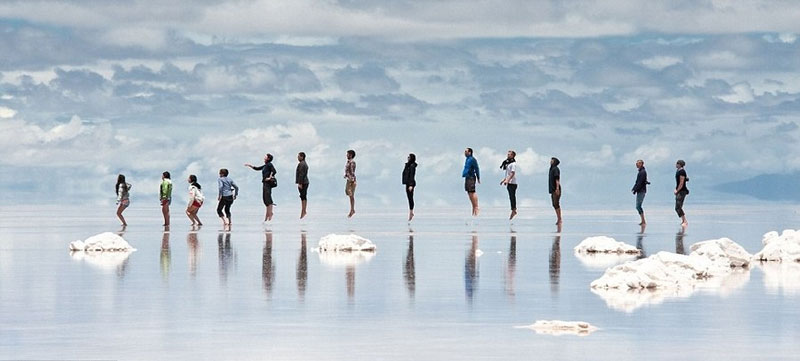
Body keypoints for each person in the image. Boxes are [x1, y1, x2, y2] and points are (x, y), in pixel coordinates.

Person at [245, 154, 277, 222]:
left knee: (268, 198)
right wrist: (249, 165)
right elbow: (257, 168)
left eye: (265, 157)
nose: (264, 157)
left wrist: (270, 177)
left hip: (268, 183)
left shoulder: (269, 164)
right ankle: (267, 215)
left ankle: (270, 213)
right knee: (265, 199)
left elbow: (274, 171)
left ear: (268, 158)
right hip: (265, 183)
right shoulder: (265, 166)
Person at [462, 148, 480, 216]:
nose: (465, 153)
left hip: (471, 177)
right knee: (469, 192)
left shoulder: (472, 159)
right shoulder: (467, 159)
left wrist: (478, 177)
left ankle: (476, 206)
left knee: (472, 191)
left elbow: (476, 168)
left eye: (466, 151)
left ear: (470, 152)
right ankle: (473, 206)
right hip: (467, 177)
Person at [500, 150, 518, 220]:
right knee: (511, 197)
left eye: (509, 154)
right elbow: (508, 173)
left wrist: (507, 180)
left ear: (513, 155)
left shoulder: (513, 164)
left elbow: (512, 173)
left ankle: (514, 210)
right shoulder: (508, 163)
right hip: (509, 182)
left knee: (512, 196)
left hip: (512, 183)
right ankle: (513, 210)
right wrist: (504, 180)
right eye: (507, 154)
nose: (508, 155)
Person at [632, 159, 648, 225]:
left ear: (641, 164)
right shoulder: (641, 172)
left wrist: (635, 189)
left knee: (638, 206)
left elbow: (640, 182)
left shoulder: (642, 172)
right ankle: (643, 221)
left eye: (638, 163)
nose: (636, 164)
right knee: (638, 206)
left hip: (641, 191)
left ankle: (643, 221)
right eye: (636, 163)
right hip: (640, 190)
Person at [402, 153, 417, 222]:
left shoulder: (412, 166)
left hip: (410, 183)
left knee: (410, 198)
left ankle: (411, 212)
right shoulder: (408, 165)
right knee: (409, 198)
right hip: (407, 183)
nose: (408, 158)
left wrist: (411, 185)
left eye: (409, 157)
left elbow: (412, 175)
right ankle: (410, 212)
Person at [674, 159, 689, 227]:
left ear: (679, 164)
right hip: (680, 190)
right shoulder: (678, 171)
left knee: (678, 206)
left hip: (682, 191)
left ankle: (685, 221)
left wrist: (677, 190)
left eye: (677, 163)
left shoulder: (682, 171)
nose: (676, 164)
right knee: (678, 207)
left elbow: (681, 182)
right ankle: (683, 220)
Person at [295, 152, 309, 219]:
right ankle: (303, 211)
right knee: (303, 196)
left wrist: (300, 183)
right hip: (305, 182)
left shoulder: (302, 164)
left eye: (298, 156)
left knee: (303, 197)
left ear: (302, 157)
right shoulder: (304, 163)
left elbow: (301, 174)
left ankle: (303, 211)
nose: (297, 157)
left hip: (303, 182)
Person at [549, 157, 562, 225]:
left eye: (552, 160)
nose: (550, 161)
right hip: (553, 189)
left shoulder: (555, 169)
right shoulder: (551, 169)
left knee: (556, 204)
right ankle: (559, 218)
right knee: (554, 204)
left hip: (556, 189)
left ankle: (559, 219)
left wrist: (557, 189)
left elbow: (557, 179)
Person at [344, 149, 357, 218]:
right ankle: (352, 209)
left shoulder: (352, 162)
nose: (346, 155)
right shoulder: (348, 162)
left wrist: (352, 180)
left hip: (351, 180)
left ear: (351, 155)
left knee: (350, 194)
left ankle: (352, 210)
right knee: (349, 194)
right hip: (349, 179)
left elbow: (352, 171)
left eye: (348, 154)